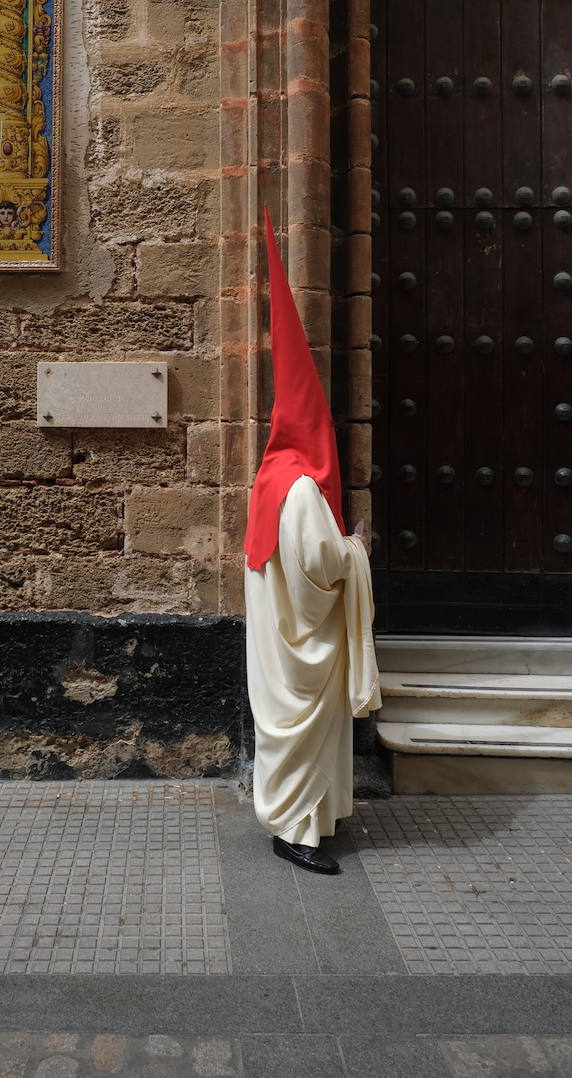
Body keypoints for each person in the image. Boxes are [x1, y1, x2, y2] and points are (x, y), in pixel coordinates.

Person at [243, 209, 380, 876]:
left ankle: (311, 818)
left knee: (293, 732)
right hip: (301, 650)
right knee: (303, 731)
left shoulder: (274, 476)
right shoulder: (299, 491)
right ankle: (294, 830)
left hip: (280, 641)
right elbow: (320, 567)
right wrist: (355, 546)